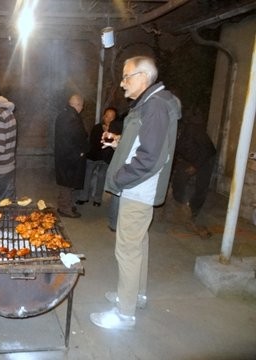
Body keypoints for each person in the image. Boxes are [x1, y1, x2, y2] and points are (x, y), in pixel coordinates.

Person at [89, 56, 181, 330]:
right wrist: (120, 142)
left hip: (138, 191)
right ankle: (135, 295)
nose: (122, 82)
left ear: (142, 77)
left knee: (127, 250)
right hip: (139, 189)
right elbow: (145, 144)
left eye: (127, 76)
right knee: (138, 245)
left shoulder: (154, 106)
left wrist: (119, 179)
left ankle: (124, 313)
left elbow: (151, 157)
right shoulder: (152, 104)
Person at [171, 112, 216, 221]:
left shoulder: (193, 130)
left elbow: (207, 150)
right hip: (190, 159)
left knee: (201, 186)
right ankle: (180, 204)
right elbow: (174, 154)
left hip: (206, 158)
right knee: (178, 178)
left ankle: (193, 211)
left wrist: (195, 166)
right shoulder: (173, 136)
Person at [76, 107, 121, 207]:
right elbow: (93, 143)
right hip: (94, 156)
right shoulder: (97, 128)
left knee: (101, 176)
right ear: (103, 117)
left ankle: (97, 199)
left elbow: (115, 147)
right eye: (107, 116)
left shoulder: (116, 132)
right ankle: (83, 197)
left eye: (112, 117)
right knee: (87, 175)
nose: (109, 119)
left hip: (106, 159)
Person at [54, 93, 88, 218]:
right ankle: (65, 208)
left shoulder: (63, 115)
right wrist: (83, 150)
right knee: (67, 184)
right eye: (82, 106)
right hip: (70, 156)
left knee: (66, 183)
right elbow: (79, 137)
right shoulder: (72, 117)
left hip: (64, 155)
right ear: (78, 105)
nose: (82, 109)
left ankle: (66, 204)